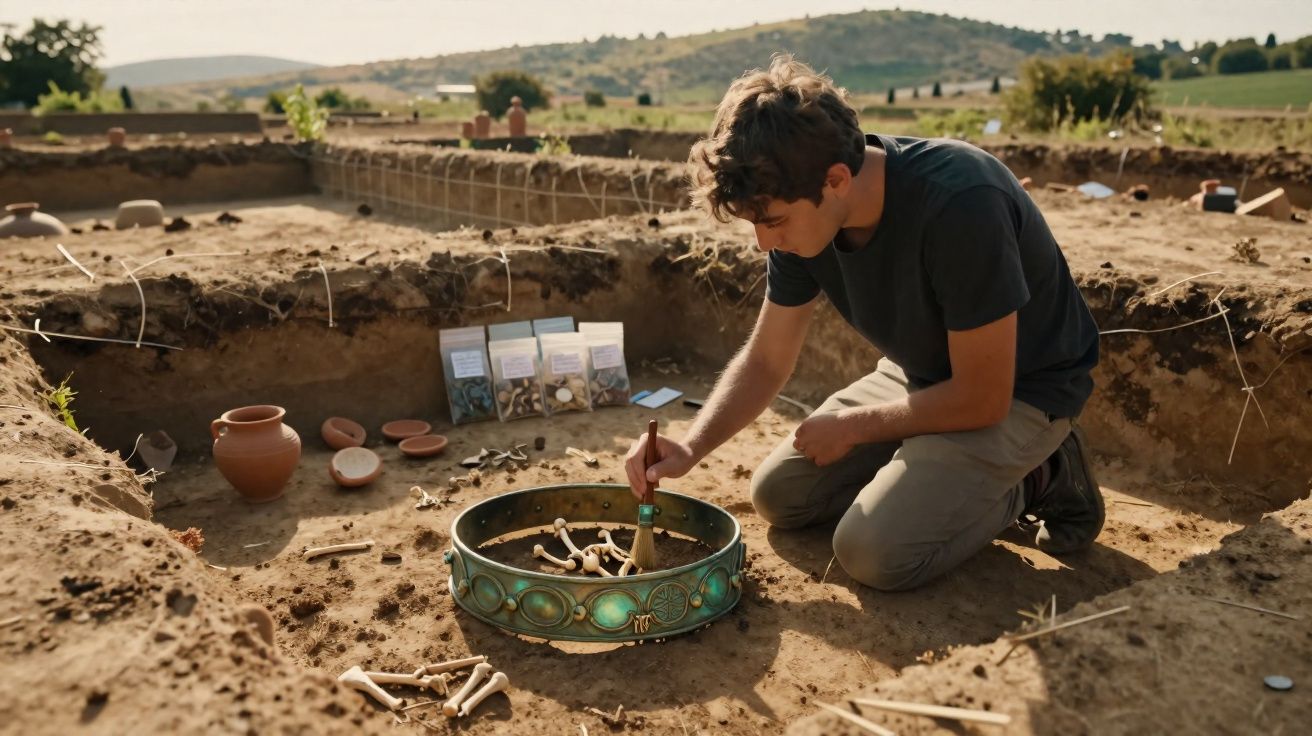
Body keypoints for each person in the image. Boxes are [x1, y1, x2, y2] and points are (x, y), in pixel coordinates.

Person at [623, 55, 1104, 592]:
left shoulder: (962, 203)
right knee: (780, 496)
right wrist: (691, 446)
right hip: (921, 374)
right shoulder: (798, 199)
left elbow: (984, 397)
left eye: (772, 221)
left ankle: (1045, 475)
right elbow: (766, 360)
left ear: (836, 179)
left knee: (872, 553)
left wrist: (856, 427)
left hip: (1022, 391)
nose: (763, 242)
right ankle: (932, 472)